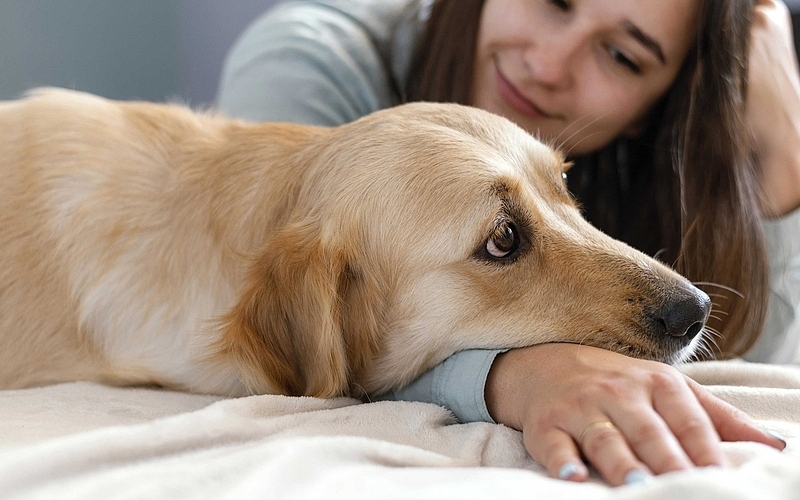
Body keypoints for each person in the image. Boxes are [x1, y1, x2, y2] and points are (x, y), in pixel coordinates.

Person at [216, 0, 798, 486]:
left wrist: (784, 160)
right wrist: (516, 379)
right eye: (552, 0)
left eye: (621, 55)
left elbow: (747, 350)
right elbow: (313, 341)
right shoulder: (309, 68)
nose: (547, 64)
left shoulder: (649, 164)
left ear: (658, 104)